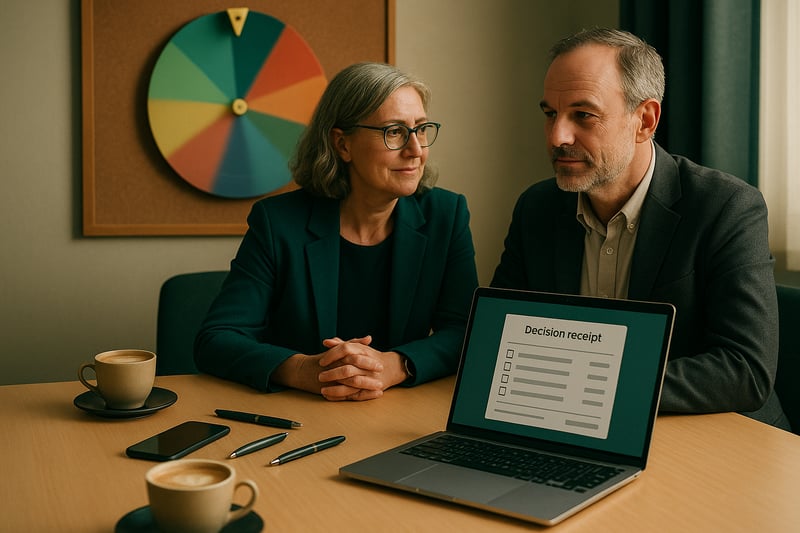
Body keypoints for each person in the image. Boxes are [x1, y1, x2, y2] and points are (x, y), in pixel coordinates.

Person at [491, 28, 789, 428]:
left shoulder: (726, 207)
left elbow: (744, 370)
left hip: (714, 438)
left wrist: (590, 388)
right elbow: (499, 335)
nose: (558, 136)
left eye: (583, 115)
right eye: (550, 114)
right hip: (570, 427)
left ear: (645, 120)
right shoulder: (538, 208)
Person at [195, 62, 478, 401]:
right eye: (394, 132)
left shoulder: (446, 216)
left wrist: (395, 365)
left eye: (420, 129)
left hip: (397, 412)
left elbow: (467, 331)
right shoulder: (277, 222)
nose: (416, 150)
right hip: (298, 414)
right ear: (342, 145)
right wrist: (302, 369)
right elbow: (217, 338)